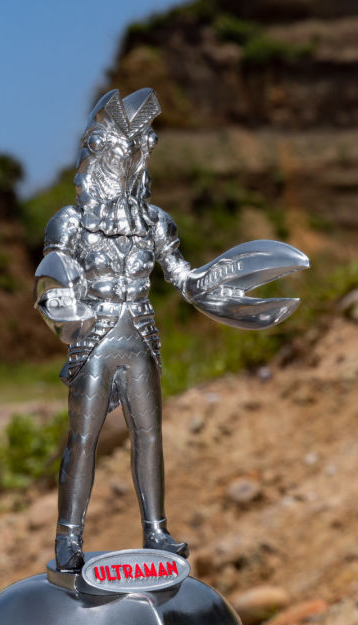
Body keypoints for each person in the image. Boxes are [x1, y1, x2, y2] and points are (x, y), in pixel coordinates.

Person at [35, 88, 307, 572]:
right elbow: (51, 281)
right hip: (94, 340)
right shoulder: (70, 223)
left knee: (149, 434)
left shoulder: (154, 221)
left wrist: (220, 284)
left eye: (137, 150)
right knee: (83, 438)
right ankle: (68, 537)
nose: (130, 159)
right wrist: (65, 313)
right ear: (99, 153)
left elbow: (182, 276)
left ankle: (156, 530)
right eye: (122, 149)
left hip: (140, 336)